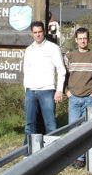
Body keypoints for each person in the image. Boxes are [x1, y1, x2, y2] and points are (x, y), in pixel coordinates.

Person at [64, 27, 92, 169]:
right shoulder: (69, 56)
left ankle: (83, 158)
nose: (83, 41)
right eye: (80, 38)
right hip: (74, 99)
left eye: (85, 38)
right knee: (73, 130)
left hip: (90, 98)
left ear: (88, 39)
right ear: (76, 40)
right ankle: (77, 157)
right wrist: (67, 92)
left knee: (88, 129)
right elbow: (62, 77)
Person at [23, 21, 66, 150]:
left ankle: (53, 153)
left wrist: (59, 90)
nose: (38, 35)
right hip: (31, 91)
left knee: (50, 124)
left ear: (44, 32)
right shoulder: (29, 50)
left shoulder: (53, 48)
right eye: (35, 32)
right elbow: (26, 71)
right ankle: (29, 153)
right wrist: (27, 90)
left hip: (47, 91)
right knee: (30, 124)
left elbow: (61, 69)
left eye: (40, 32)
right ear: (32, 34)